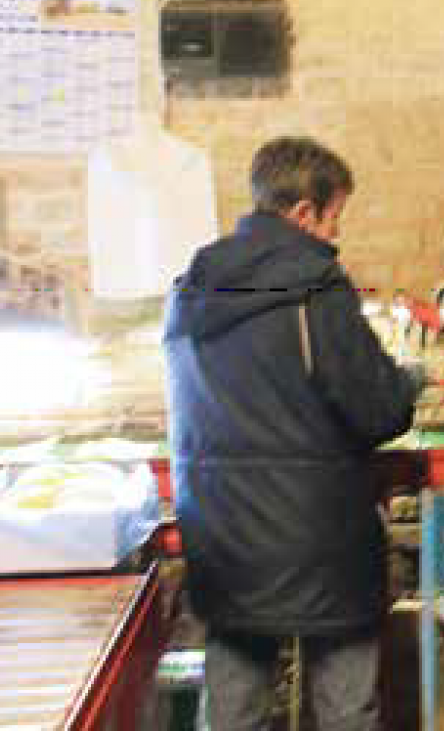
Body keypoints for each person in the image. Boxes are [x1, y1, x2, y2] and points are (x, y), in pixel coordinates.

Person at [164, 136, 422, 730]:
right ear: (305, 212)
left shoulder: (191, 288)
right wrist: (409, 380)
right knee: (343, 706)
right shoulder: (317, 289)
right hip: (321, 542)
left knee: (232, 705)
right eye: (335, 218)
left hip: (223, 537)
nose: (336, 235)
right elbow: (379, 411)